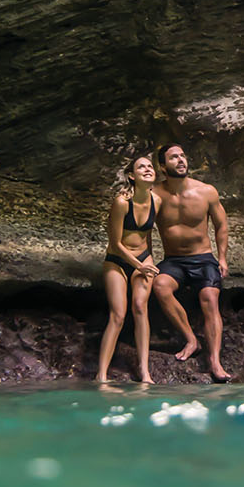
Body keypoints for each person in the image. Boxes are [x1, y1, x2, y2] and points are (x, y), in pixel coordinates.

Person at [153, 141, 231, 382]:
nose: (181, 160)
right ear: (163, 166)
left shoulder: (206, 191)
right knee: (160, 286)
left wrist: (222, 258)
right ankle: (191, 340)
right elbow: (141, 225)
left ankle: (215, 362)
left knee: (209, 297)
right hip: (174, 260)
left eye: (183, 156)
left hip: (203, 258)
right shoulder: (154, 194)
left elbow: (221, 225)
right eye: (174, 157)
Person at [96, 152, 160, 387]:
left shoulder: (157, 201)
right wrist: (138, 265)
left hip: (144, 259)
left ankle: (145, 372)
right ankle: (101, 375)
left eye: (150, 166)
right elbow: (115, 243)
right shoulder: (122, 202)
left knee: (140, 307)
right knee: (119, 315)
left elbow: (149, 234)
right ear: (132, 176)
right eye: (141, 167)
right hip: (118, 260)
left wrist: (149, 261)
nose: (147, 169)